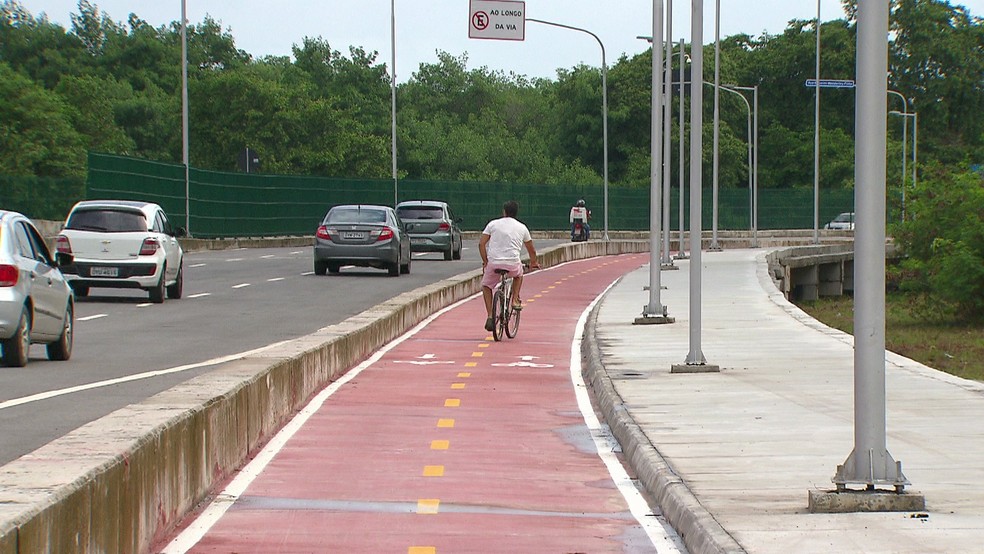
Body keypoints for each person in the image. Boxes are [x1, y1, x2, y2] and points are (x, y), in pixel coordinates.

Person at [479, 200, 539, 332]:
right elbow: (532, 250)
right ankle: (515, 300)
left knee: (486, 286)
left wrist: (485, 261)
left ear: (504, 212)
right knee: (519, 275)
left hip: (494, 263)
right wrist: (534, 263)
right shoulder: (522, 227)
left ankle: (490, 315)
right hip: (512, 263)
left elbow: (481, 244)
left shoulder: (493, 224)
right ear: (516, 213)